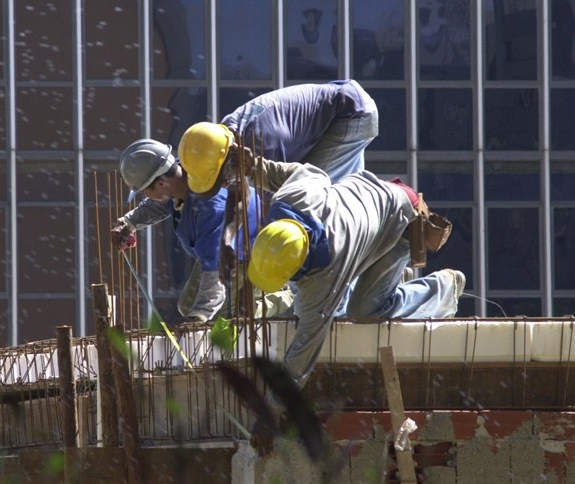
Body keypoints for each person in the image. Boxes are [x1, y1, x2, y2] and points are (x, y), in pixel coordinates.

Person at [184, 138, 464, 453]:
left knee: (366, 311)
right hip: (369, 201)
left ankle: (442, 289)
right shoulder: (292, 199)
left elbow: (303, 351)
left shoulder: (326, 278)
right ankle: (389, 277)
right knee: (362, 291)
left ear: (301, 268)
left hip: (400, 219)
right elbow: (303, 171)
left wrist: (270, 412)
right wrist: (255, 168)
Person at [110, 139, 293, 323]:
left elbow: (214, 275)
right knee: (187, 306)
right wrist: (128, 223)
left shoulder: (211, 209)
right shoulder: (185, 174)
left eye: (144, 191)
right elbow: (159, 204)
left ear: (160, 184)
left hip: (251, 250)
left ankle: (283, 295)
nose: (146, 196)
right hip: (218, 249)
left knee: (230, 313)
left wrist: (198, 318)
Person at [186, 79, 378, 194]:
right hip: (345, 108)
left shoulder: (262, 145)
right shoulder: (227, 133)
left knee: (309, 192)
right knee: (345, 188)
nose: (225, 185)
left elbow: (284, 192)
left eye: (223, 179)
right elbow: (240, 196)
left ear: (226, 161)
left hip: (350, 114)